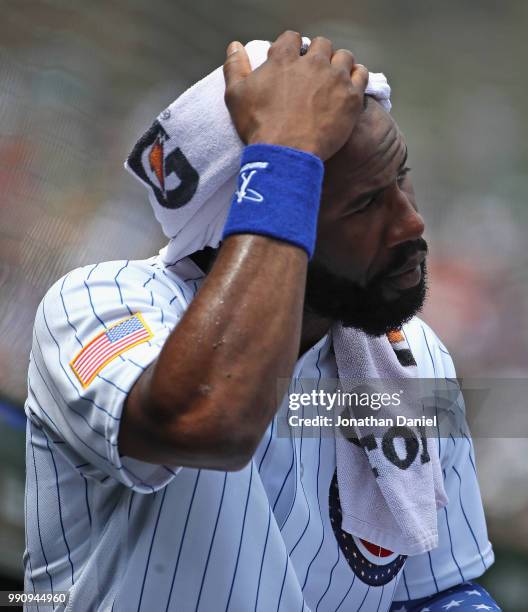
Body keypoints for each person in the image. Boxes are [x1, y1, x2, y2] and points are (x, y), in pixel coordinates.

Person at [24, 31, 499, 611]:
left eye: (400, 177)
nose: (411, 224)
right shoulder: (97, 303)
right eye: (364, 204)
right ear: (254, 216)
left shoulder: (413, 358)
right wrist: (285, 155)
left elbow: (441, 594)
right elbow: (208, 420)